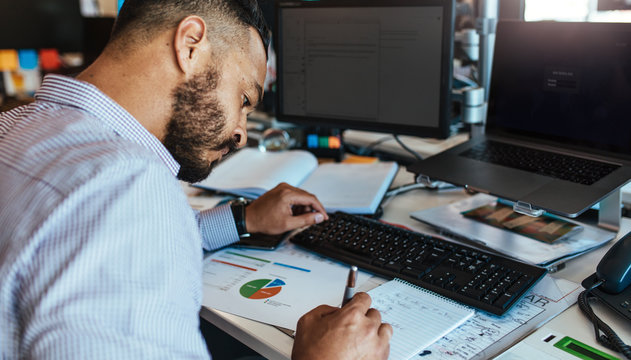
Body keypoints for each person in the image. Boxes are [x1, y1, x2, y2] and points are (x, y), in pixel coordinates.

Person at [0, 0, 393, 359]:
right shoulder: (128, 191)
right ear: (190, 44)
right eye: (243, 100)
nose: (240, 132)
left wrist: (244, 219)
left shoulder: (16, 125)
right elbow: (121, 223)